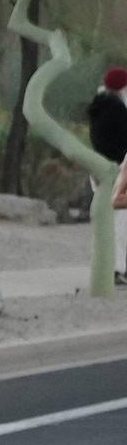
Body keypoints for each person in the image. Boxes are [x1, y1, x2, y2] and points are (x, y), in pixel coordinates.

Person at [86, 67, 127, 284]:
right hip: (117, 170)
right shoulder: (117, 109)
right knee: (121, 220)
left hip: (100, 169)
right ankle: (117, 268)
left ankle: (110, 267)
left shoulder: (100, 106)